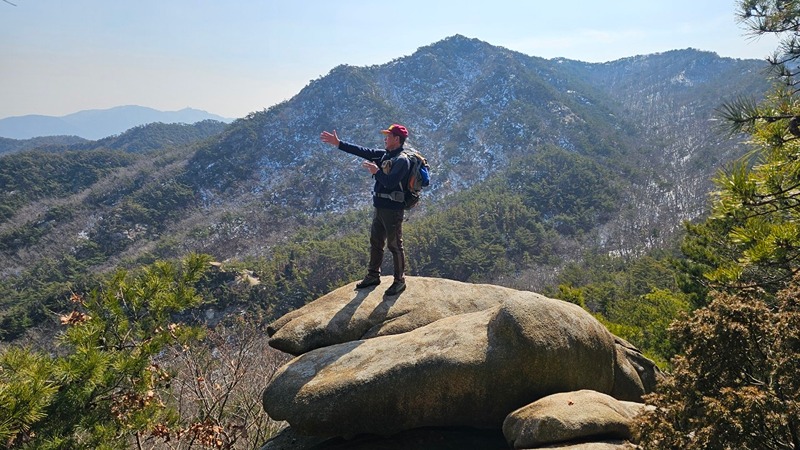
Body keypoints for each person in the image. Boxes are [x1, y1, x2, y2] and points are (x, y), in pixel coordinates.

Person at [320, 124, 411, 296]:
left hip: (393, 210)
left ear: (397, 139)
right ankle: (373, 275)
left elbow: (390, 183)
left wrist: (376, 172)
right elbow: (362, 151)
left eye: (388, 136)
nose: (385, 138)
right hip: (380, 207)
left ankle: (400, 281)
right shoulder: (384, 155)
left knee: (395, 245)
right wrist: (338, 143)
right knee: (376, 242)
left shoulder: (402, 160)